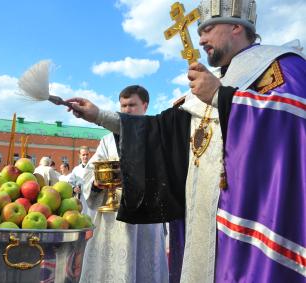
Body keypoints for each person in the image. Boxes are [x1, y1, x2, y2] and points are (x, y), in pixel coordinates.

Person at [66, 0, 306, 282]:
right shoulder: (211, 82)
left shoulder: (280, 67)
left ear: (236, 27)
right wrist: (98, 115)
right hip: (199, 224)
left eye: (209, 28)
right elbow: (157, 132)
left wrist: (222, 97)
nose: (201, 38)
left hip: (247, 226)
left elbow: (289, 124)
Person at [80, 85, 168, 283]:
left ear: (145, 105)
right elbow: (90, 171)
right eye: (123, 105)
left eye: (132, 105)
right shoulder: (107, 140)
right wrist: (96, 183)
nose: (126, 110)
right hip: (112, 219)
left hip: (145, 220)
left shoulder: (156, 135)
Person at [71, 146, 94, 217]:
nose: (85, 157)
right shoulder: (76, 169)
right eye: (83, 155)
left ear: (89, 155)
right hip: (80, 199)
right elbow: (71, 182)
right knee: (81, 218)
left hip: (92, 199)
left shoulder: (94, 168)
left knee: (91, 220)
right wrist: (74, 188)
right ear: (80, 156)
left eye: (87, 154)